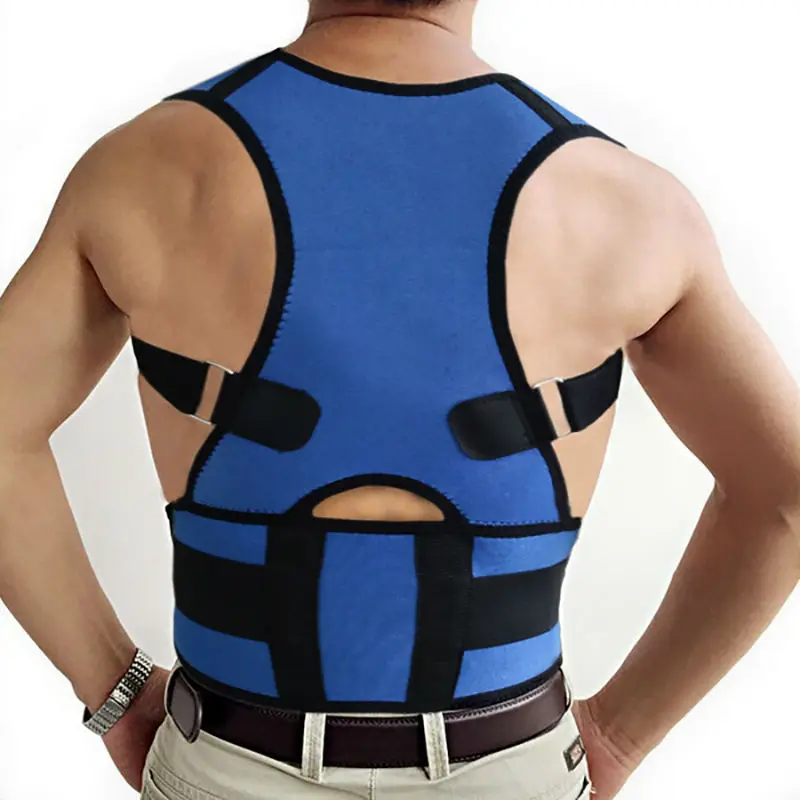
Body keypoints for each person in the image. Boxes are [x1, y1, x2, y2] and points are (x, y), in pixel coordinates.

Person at [1, 0, 799, 798]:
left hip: (231, 759)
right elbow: (785, 501)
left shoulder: (147, 169)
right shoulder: (624, 202)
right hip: (506, 768)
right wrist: (619, 736)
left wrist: (115, 691)